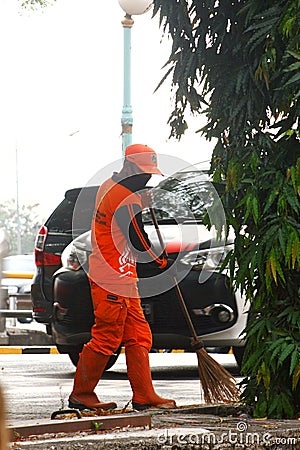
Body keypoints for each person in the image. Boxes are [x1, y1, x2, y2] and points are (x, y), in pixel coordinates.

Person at [68, 144, 176, 411]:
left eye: (149, 175)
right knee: (106, 336)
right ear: (128, 167)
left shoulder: (111, 185)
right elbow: (139, 241)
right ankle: (81, 394)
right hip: (111, 278)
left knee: (139, 335)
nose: (146, 179)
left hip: (123, 276)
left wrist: (140, 200)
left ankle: (144, 395)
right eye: (142, 174)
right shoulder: (124, 196)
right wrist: (161, 261)